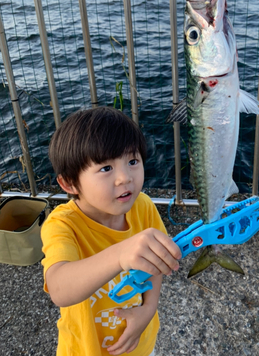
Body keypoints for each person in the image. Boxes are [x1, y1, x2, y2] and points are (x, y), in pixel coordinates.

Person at [41, 106, 181, 356]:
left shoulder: (143, 207)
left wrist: (149, 309)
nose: (125, 178)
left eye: (132, 161)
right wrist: (120, 254)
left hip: (140, 340)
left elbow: (156, 263)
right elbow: (59, 288)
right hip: (86, 348)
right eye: (106, 168)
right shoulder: (62, 225)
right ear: (69, 183)